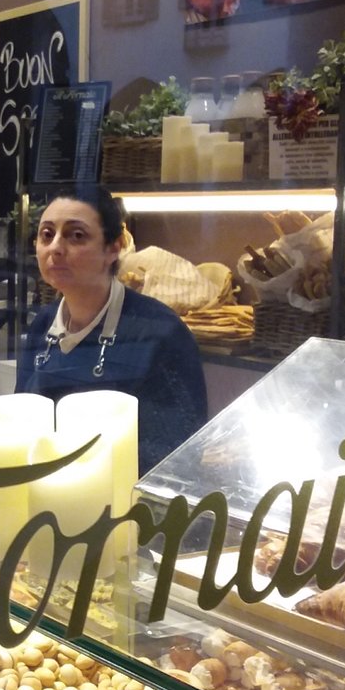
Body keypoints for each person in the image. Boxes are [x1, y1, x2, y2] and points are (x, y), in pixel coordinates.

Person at [16, 184, 207, 476]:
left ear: (114, 248)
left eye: (76, 235)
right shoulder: (43, 323)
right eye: (46, 234)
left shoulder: (159, 332)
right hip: (47, 493)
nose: (55, 247)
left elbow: (179, 455)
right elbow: (24, 424)